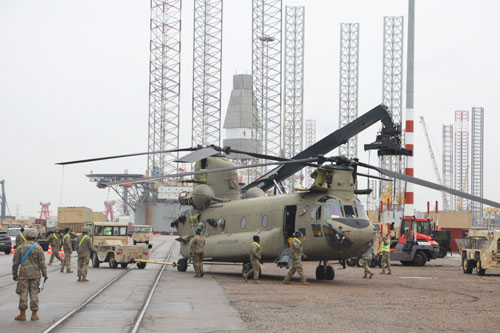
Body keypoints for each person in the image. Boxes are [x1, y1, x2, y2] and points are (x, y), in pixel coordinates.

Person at [12, 228, 47, 321]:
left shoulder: (20, 247)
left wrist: (14, 274)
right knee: (34, 293)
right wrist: (44, 274)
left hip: (23, 275)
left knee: (23, 294)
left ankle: (22, 314)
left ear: (26, 236)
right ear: (35, 237)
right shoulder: (39, 248)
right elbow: (42, 263)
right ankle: (34, 314)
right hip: (35, 275)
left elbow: (15, 263)